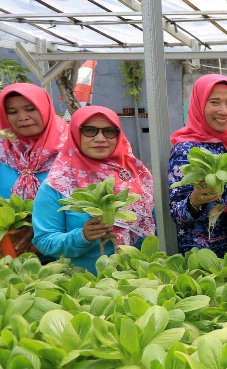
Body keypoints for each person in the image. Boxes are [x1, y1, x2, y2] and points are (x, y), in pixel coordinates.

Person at [33, 106, 155, 274]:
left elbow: (157, 227)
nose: (100, 138)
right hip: (84, 284)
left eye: (109, 131)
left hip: (138, 276)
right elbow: (44, 241)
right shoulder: (57, 183)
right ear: (76, 134)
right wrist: (81, 236)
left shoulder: (138, 176)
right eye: (90, 130)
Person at [168, 74, 227, 256]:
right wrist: (195, 201)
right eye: (214, 102)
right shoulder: (186, 149)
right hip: (203, 254)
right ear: (199, 104)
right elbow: (176, 213)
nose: (224, 111)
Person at [0, 83, 68, 255]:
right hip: (12, 257)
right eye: (12, 112)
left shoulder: (74, 150)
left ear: (44, 108)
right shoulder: (3, 153)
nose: (22, 117)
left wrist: (38, 227)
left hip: (70, 253)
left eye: (30, 109)